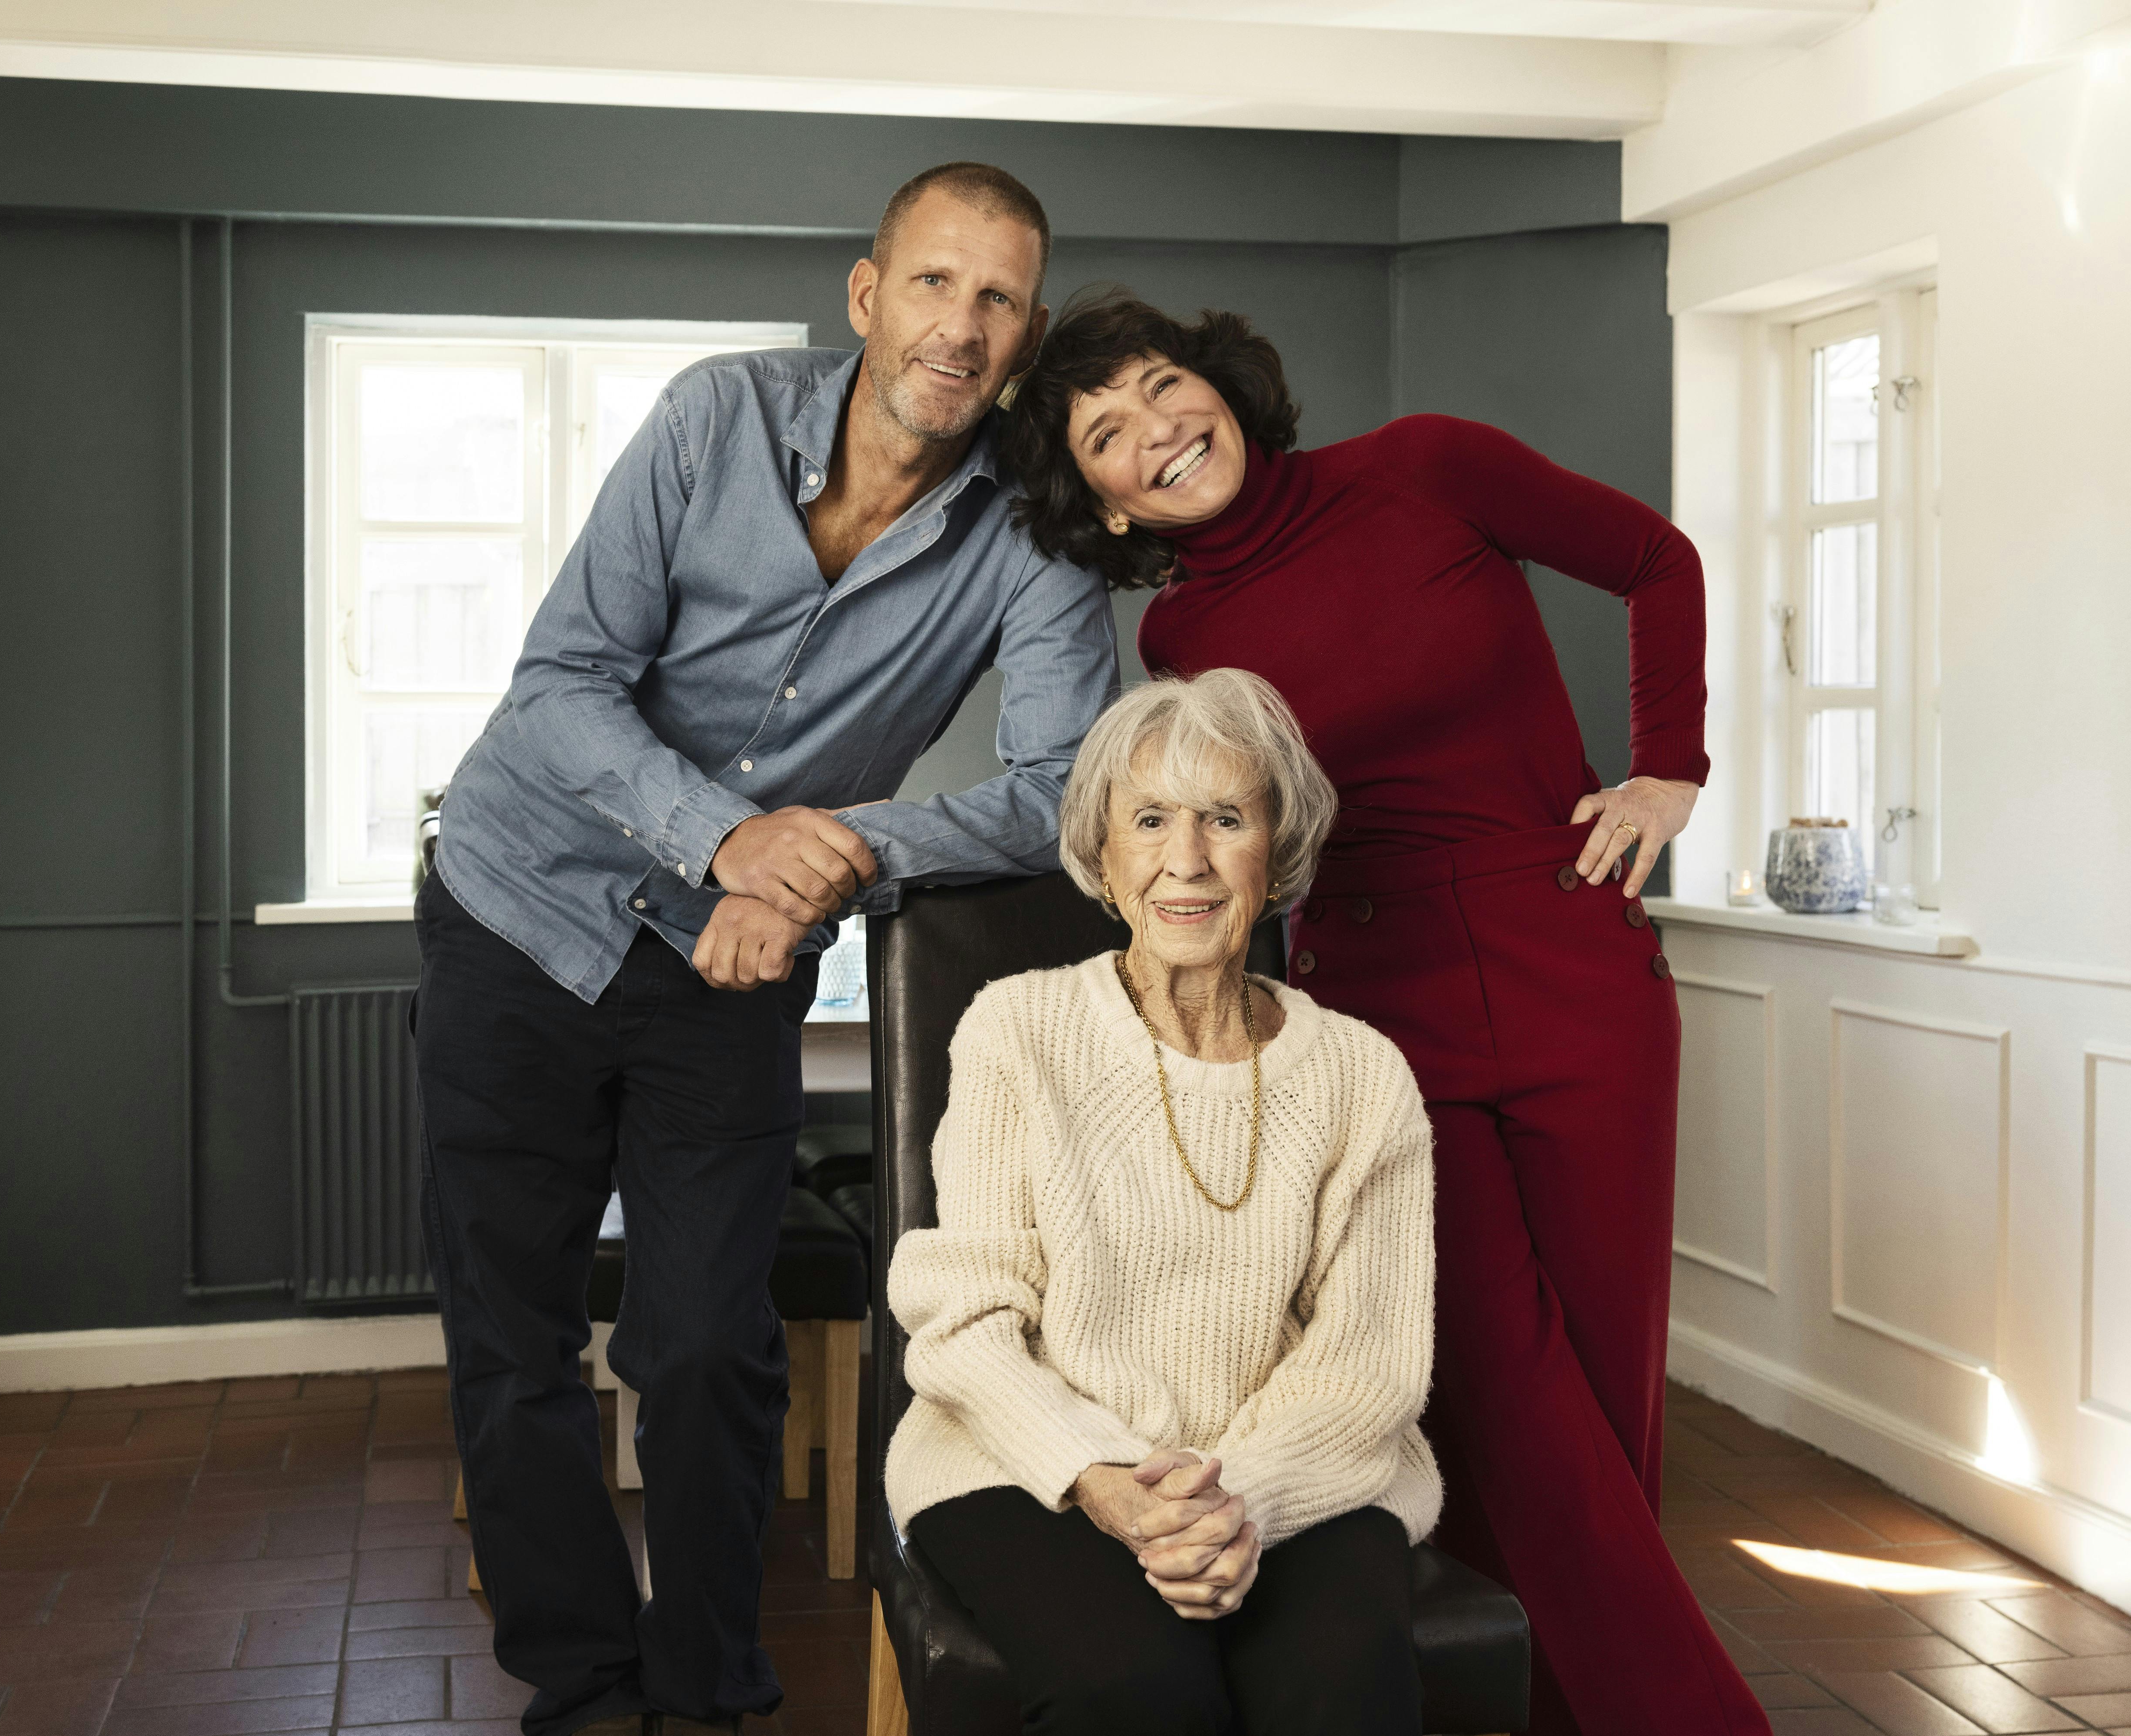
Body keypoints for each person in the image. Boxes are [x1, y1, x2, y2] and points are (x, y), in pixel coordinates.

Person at [999, 292, 1770, 1735]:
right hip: (1376, 1003)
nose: (1158, 430)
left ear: (1217, 383)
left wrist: (1671, 768)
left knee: (1603, 1404)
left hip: (1572, 957)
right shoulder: (1182, 635)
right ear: (1098, 502)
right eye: (1110, 432)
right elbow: (1225, 849)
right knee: (1493, 1383)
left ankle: (1536, 1709)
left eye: (1164, 387)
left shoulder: (1429, 464)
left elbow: (1655, 561)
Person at [413, 164, 1117, 1736]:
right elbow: (562, 683)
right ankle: (584, 1686)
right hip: (519, 911)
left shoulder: (1037, 531)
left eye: (998, 298)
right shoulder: (712, 418)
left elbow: (1065, 793)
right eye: (934, 284)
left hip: (730, 968)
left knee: (710, 1350)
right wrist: (727, 836)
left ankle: (711, 1691)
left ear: (1030, 332)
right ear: (867, 297)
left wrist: (829, 861)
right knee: (513, 1337)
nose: (962, 326)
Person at [887, 669, 1439, 1736]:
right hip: (1023, 1456)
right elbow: (967, 1321)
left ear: (1275, 854)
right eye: (1151, 821)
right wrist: (1099, 1476)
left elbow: (1369, 1361)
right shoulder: (1018, 1029)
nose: (1186, 859)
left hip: (1295, 1467)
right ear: (1104, 852)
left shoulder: (1364, 1075)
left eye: (1225, 819)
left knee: (1340, 1685)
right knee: (1135, 1690)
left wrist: (1238, 1505)